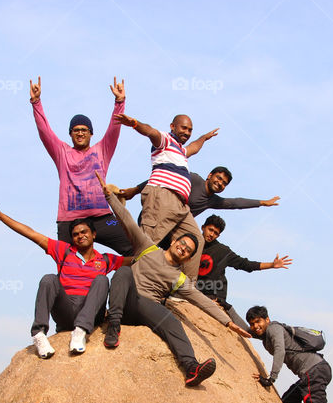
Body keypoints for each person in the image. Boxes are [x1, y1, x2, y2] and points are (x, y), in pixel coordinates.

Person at [95, 172, 252, 387]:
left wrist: (228, 322)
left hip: (147, 308)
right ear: (173, 242)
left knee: (172, 321)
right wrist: (110, 197)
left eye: (188, 250)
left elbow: (200, 299)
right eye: (182, 243)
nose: (184, 248)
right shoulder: (148, 247)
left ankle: (191, 368)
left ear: (188, 257)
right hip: (125, 300)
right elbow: (128, 221)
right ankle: (113, 325)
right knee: (123, 272)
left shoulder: (178, 277)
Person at [0, 198, 130, 358]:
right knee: (49, 279)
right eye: (75, 234)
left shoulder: (106, 259)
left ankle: (80, 332)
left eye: (84, 232)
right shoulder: (63, 251)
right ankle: (39, 335)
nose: (80, 236)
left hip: (91, 311)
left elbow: (136, 259)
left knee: (102, 280)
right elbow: (31, 233)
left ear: (93, 234)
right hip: (66, 309)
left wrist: (159, 252)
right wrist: (1, 216)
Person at [30, 76, 132, 255]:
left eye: (84, 130)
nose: (80, 133)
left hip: (102, 217)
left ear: (91, 134)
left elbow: (114, 128)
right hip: (69, 220)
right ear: (70, 134)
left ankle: (133, 281)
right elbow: (44, 131)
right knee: (65, 263)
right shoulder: (62, 152)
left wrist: (119, 102)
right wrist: (36, 102)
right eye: (76, 130)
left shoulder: (102, 150)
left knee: (132, 246)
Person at [112, 112, 218, 282]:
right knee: (147, 244)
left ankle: (183, 290)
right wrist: (134, 123)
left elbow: (194, 147)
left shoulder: (182, 151)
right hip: (162, 197)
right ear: (172, 126)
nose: (187, 132)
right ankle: (130, 287)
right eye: (183, 128)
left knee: (196, 240)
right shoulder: (165, 141)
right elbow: (150, 131)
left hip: (181, 206)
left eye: (190, 130)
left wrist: (204, 137)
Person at [197, 215, 292, 329]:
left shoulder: (222, 251)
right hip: (195, 289)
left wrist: (271, 265)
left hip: (214, 295)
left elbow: (245, 264)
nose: (212, 234)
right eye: (210, 230)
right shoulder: (192, 243)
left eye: (216, 233)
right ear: (203, 227)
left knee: (243, 328)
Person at [117, 166, 281, 219]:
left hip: (172, 231)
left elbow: (235, 203)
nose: (220, 183)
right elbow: (162, 179)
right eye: (218, 178)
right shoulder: (193, 179)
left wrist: (262, 203)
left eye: (224, 183)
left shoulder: (213, 201)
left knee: (191, 244)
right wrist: (135, 190)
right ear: (210, 176)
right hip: (154, 216)